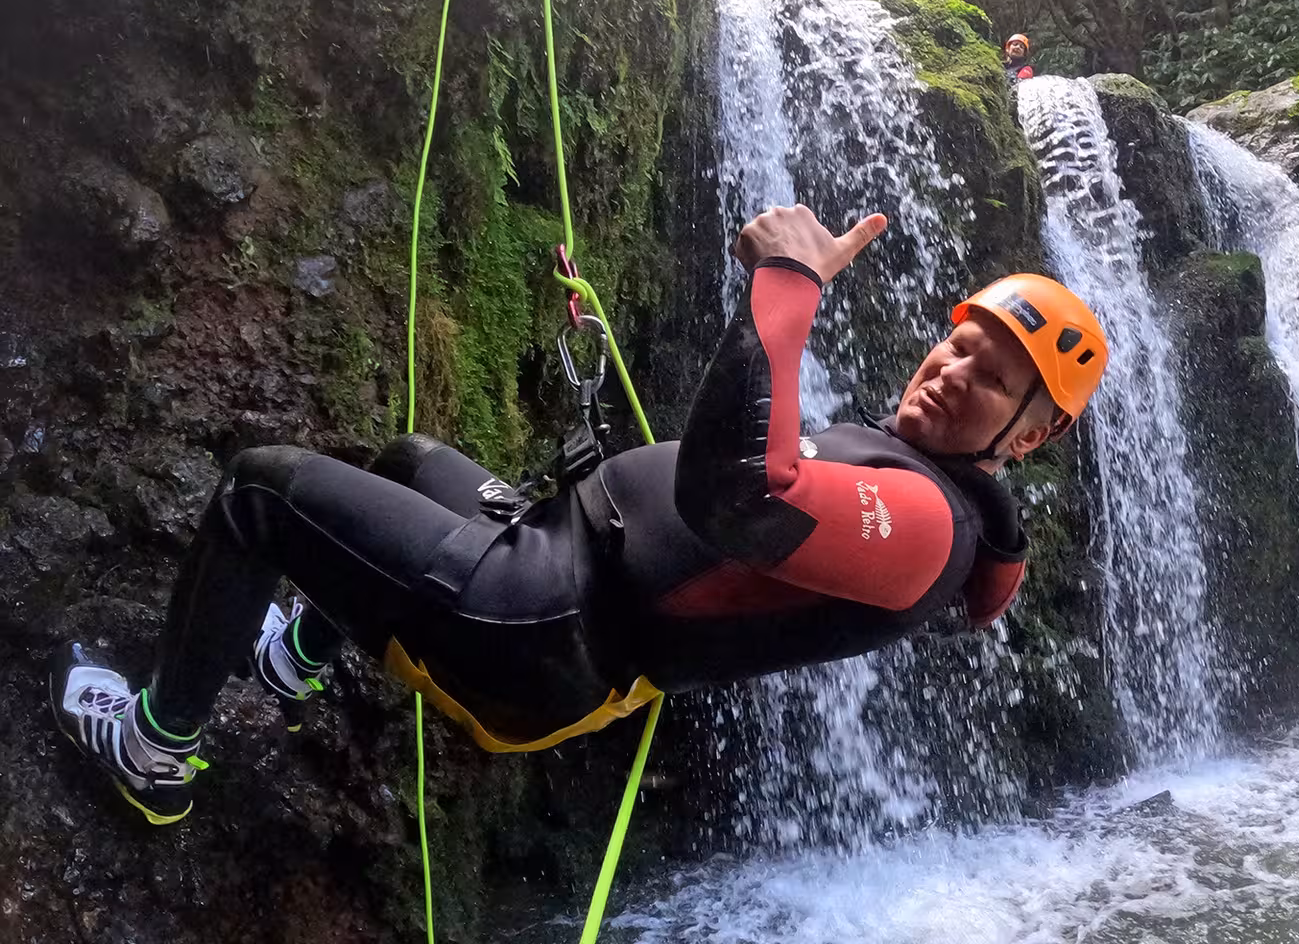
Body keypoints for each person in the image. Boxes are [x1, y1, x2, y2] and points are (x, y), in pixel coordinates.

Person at [49, 205, 1110, 824]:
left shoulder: (931, 531)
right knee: (413, 459)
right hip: (545, 557)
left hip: (535, 624)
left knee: (258, 489)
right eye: (961, 344)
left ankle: (153, 751)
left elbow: (745, 493)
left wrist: (788, 287)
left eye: (993, 376)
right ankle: (296, 659)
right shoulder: (901, 462)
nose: (952, 370)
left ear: (1029, 436)